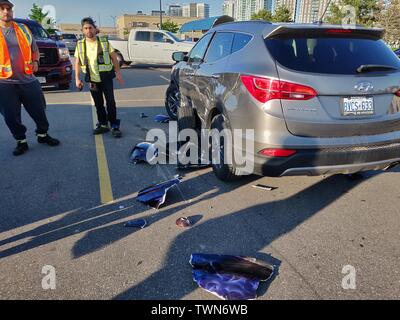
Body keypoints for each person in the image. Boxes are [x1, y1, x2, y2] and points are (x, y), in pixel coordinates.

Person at [0, 0, 60, 156]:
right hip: (4, 83)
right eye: (2, 9)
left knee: (39, 109)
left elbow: (34, 47)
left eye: (8, 8)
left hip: (28, 79)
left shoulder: (23, 29)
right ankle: (21, 141)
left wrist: (35, 60)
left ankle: (42, 135)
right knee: (11, 116)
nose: (6, 11)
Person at [75, 17, 124, 138]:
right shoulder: (80, 44)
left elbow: (114, 58)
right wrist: (77, 78)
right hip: (92, 79)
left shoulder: (104, 42)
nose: (88, 30)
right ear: (82, 30)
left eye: (90, 27)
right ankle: (103, 124)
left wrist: (117, 73)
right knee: (98, 103)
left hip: (106, 77)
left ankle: (114, 125)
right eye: (85, 28)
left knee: (111, 102)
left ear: (95, 29)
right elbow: (77, 62)